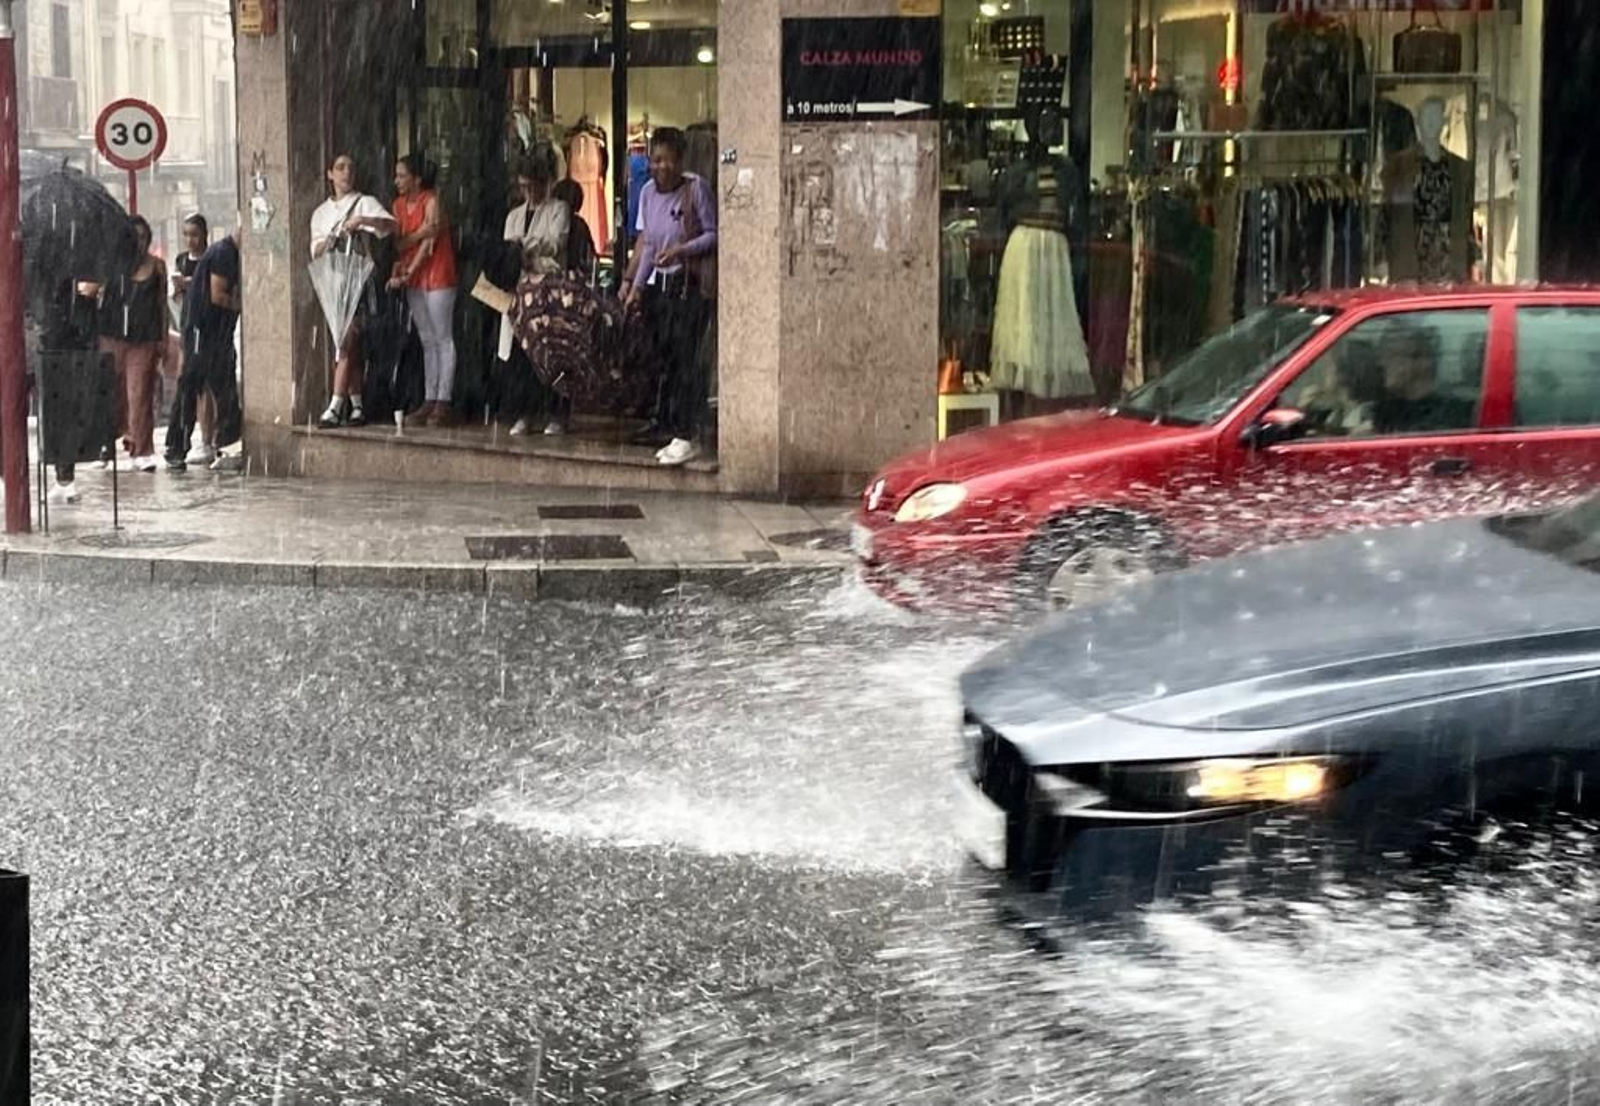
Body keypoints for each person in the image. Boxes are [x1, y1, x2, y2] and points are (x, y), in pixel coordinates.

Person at [626, 127, 718, 467]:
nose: (660, 167)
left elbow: (713, 234)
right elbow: (649, 242)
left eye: (667, 160)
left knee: (686, 362)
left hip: (689, 288)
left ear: (679, 161)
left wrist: (682, 250)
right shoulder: (648, 193)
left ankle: (689, 431)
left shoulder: (696, 191)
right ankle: (668, 423)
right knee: (664, 359)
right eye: (655, 160)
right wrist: (635, 287)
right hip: (659, 288)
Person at [312, 154, 396, 428]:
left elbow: (391, 226)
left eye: (350, 167)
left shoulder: (365, 202)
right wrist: (332, 239)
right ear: (330, 175)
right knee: (349, 345)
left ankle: (336, 404)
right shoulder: (321, 213)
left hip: (358, 283)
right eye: (340, 168)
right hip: (334, 284)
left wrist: (362, 221)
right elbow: (315, 251)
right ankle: (357, 404)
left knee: (345, 341)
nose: (346, 173)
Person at [498, 152, 572, 437]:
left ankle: (556, 413)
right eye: (524, 187)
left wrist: (525, 246)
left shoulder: (558, 209)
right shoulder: (514, 215)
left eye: (533, 186)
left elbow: (556, 242)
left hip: (547, 289)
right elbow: (507, 251)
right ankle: (524, 412)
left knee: (552, 350)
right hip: (520, 288)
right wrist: (521, 251)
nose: (529, 192)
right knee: (522, 353)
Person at [388, 153, 459, 428]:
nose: (397, 180)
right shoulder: (397, 204)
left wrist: (409, 265)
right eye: (397, 175)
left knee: (443, 337)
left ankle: (444, 398)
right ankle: (430, 397)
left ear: (417, 178)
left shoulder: (432, 200)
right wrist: (404, 266)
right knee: (427, 338)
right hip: (413, 277)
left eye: (402, 175)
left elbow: (428, 246)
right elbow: (401, 242)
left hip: (438, 274)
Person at [165, 227, 245, 473]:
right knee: (212, 388)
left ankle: (183, 447)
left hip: (208, 331)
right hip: (205, 332)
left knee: (211, 388)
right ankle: (187, 447)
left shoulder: (225, 252)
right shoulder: (224, 254)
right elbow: (218, 295)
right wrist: (244, 306)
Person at [96, 215, 167, 472]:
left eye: (143, 237)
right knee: (112, 393)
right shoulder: (112, 264)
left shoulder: (157, 266)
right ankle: (106, 442)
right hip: (112, 336)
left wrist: (162, 340)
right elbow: (98, 295)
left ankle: (142, 448)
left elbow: (161, 305)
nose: (138, 242)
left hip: (143, 339)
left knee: (139, 393)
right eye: (133, 237)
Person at [170, 214, 218, 465]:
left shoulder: (211, 259)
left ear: (204, 235)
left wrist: (192, 284)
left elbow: (213, 289)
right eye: (186, 235)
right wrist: (179, 289)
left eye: (195, 235)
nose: (190, 240)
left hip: (207, 325)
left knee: (205, 384)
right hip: (187, 324)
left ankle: (207, 439)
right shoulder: (181, 260)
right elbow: (177, 298)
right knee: (187, 381)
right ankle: (185, 437)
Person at [1371, 324, 1475, 434]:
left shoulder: (1453, 415)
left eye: (1390, 356)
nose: (1381, 364)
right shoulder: (1387, 407)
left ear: (1420, 362)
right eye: (1380, 357)